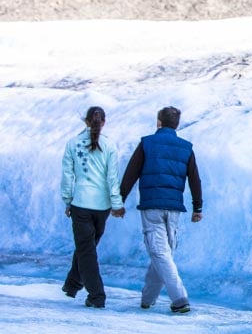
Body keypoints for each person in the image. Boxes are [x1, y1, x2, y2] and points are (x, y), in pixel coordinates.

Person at [119, 106, 203, 314]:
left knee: (160, 253)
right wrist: (197, 207)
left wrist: (118, 201)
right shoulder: (185, 148)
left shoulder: (147, 143)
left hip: (151, 207)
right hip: (173, 209)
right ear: (177, 124)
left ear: (158, 122)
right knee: (162, 253)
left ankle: (180, 298)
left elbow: (131, 173)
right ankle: (148, 299)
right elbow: (194, 178)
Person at [61, 106, 125, 308]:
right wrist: (116, 204)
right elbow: (112, 178)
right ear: (103, 122)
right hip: (102, 206)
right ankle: (72, 285)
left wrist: (67, 200)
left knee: (86, 249)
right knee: (87, 247)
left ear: (86, 122)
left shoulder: (72, 143)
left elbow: (67, 176)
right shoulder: (110, 145)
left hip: (80, 203)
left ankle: (96, 296)